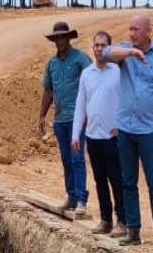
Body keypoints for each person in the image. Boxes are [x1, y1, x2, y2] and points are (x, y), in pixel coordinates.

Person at [106, 12, 153, 247]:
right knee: (128, 181)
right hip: (125, 128)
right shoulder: (125, 52)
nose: (132, 33)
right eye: (130, 29)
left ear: (148, 31)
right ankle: (133, 230)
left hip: (148, 131)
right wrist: (131, 52)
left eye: (136, 29)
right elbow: (106, 54)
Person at [71, 31, 127, 236]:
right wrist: (76, 134)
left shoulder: (118, 71)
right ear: (92, 48)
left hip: (112, 136)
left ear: (110, 48)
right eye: (96, 45)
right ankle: (106, 220)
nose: (100, 49)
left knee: (116, 179)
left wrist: (122, 125)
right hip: (93, 136)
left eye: (104, 45)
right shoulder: (87, 74)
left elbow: (127, 100)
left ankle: (122, 220)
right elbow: (80, 105)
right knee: (100, 179)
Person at [37, 21, 91, 215]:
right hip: (60, 120)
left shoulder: (80, 59)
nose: (60, 41)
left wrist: (90, 113)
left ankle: (82, 200)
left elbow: (92, 83)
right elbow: (48, 91)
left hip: (77, 120)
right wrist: (42, 116)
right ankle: (71, 197)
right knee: (66, 160)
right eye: (56, 38)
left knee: (77, 159)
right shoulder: (51, 64)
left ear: (68, 38)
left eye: (63, 37)